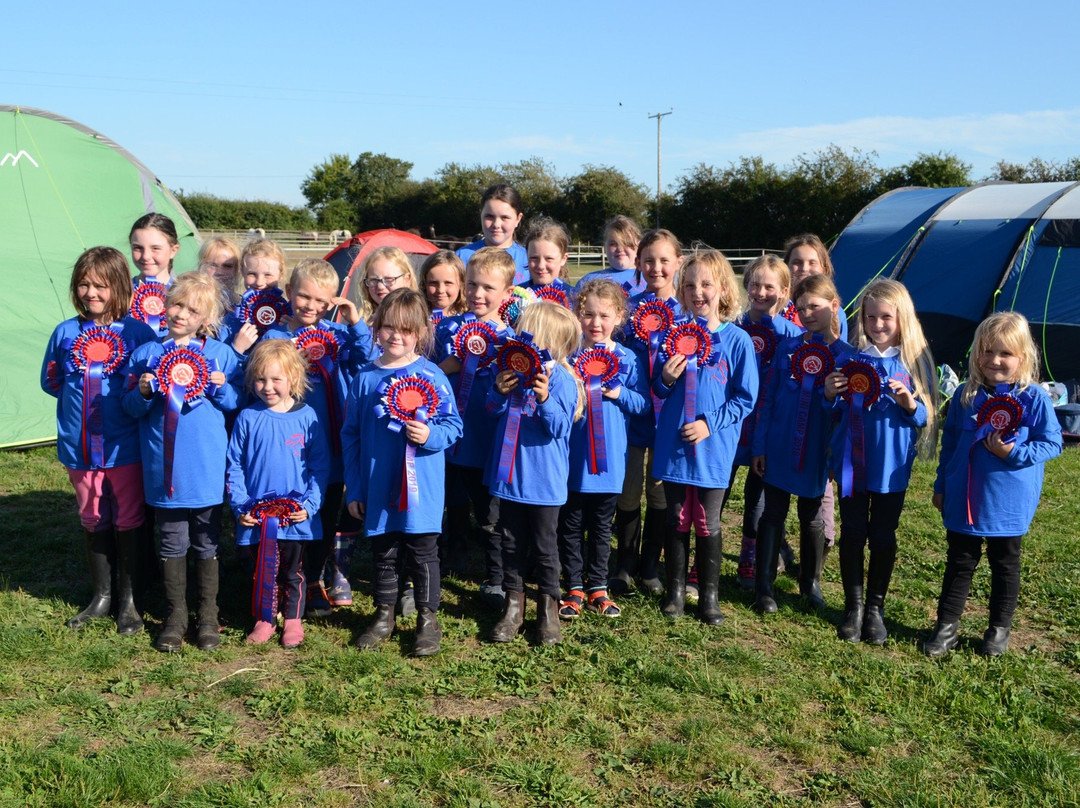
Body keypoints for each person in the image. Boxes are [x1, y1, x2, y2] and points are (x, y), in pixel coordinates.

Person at [925, 312, 1062, 658]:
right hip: (964, 494)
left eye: (1005, 354)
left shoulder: (1035, 399)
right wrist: (942, 484)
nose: (995, 360)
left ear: (1023, 357)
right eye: (987, 351)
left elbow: (1053, 443)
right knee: (959, 561)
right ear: (976, 354)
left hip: (1008, 502)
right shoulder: (964, 396)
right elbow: (952, 442)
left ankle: (998, 630)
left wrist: (1013, 452)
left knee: (1005, 564)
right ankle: (946, 626)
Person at [41, 246, 158, 634]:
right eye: (84, 284)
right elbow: (51, 381)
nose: (91, 293)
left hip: (125, 448)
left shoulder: (139, 333)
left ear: (120, 287)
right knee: (93, 517)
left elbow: (147, 390)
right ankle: (101, 597)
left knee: (129, 517)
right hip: (78, 449)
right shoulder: (64, 332)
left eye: (101, 286)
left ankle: (130, 601)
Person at [123, 273, 242, 652]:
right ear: (165, 302)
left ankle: (208, 616)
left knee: (207, 542)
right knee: (172, 541)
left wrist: (222, 387)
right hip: (165, 470)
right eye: (177, 304)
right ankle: (176, 617)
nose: (181, 313)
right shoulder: (146, 354)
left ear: (206, 318)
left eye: (193, 309)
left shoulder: (222, 354)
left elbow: (237, 403)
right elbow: (128, 407)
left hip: (206, 469)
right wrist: (142, 393)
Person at [343, 289, 463, 656]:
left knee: (423, 552)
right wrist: (355, 489)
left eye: (406, 330)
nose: (396, 336)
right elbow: (351, 435)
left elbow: (454, 426)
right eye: (388, 327)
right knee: (385, 552)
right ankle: (384, 615)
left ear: (421, 333)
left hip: (421, 488)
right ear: (376, 328)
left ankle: (428, 619)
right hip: (378, 486)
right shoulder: (364, 379)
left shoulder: (431, 375)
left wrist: (430, 435)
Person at [823, 279, 937, 645]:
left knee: (883, 536)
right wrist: (828, 393)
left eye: (886, 317)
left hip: (892, 468)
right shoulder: (850, 359)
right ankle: (853, 608)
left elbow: (926, 417)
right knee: (853, 534)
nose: (878, 324)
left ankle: (875, 608)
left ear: (901, 318)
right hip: (852, 464)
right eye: (870, 316)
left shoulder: (915, 362)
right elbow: (833, 409)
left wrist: (909, 404)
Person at [261, 258, 374, 614]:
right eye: (303, 297)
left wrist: (355, 323)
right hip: (289, 446)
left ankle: (312, 580)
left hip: (333, 442)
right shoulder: (275, 337)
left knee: (324, 512)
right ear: (290, 292)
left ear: (332, 303)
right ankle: (280, 579)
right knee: (289, 507)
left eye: (321, 301)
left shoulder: (338, 335)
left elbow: (367, 357)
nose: (310, 306)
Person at [652, 251, 757, 625]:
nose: (699, 292)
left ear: (724, 290)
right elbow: (659, 392)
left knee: (707, 520)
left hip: (713, 448)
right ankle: (676, 592)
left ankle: (710, 597)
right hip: (675, 445)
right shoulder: (672, 337)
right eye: (691, 284)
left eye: (707, 284)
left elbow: (745, 398)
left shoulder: (738, 341)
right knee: (677, 517)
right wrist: (664, 377)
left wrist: (709, 424)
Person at [751, 274, 853, 614]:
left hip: (817, 448)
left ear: (834, 306)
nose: (808, 313)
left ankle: (810, 582)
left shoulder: (848, 358)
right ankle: (764, 585)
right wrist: (760, 444)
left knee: (812, 516)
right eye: (801, 307)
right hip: (779, 444)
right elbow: (767, 398)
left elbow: (848, 415)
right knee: (773, 511)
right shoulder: (788, 348)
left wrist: (838, 457)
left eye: (816, 306)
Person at [487, 302, 584, 645]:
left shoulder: (562, 379)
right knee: (511, 545)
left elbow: (559, 428)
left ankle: (548, 610)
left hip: (544, 482)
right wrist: (498, 391)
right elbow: (492, 410)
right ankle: (514, 608)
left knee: (545, 547)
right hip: (511, 478)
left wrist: (544, 399)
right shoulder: (509, 371)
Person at [226, 340, 330, 648]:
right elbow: (234, 467)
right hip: (258, 518)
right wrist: (240, 505)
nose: (267, 387)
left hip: (295, 516)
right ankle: (264, 619)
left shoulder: (308, 416)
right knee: (263, 570)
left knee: (293, 571)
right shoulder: (247, 417)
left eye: (275, 379)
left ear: (294, 379)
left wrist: (310, 505)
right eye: (260, 379)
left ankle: (294, 619)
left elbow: (320, 466)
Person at [557, 279, 648, 620]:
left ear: (619, 317)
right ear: (577, 314)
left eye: (604, 315)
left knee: (600, 526)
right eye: (588, 314)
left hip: (610, 463)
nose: (595, 323)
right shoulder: (568, 355)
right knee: (570, 524)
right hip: (572, 461)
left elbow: (643, 405)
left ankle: (598, 586)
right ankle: (573, 587)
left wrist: (618, 394)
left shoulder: (628, 359)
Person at [436, 248, 514, 603]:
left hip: (487, 440)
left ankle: (496, 578)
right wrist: (448, 364)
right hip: (449, 436)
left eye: (488, 288)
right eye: (472, 285)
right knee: (444, 502)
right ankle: (433, 566)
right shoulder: (450, 328)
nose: (478, 294)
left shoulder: (512, 340)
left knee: (489, 514)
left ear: (507, 294)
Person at [610, 229, 684, 597]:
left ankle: (651, 565)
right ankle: (624, 563)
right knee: (627, 491)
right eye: (649, 260)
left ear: (677, 264)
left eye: (664, 260)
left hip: (667, 420)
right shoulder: (627, 310)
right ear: (638, 264)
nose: (656, 267)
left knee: (658, 494)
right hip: (628, 417)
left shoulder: (686, 314)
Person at [726, 254, 801, 591]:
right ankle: (702, 558)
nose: (760, 291)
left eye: (769, 286)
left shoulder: (794, 337)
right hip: (730, 424)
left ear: (784, 290)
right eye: (754, 284)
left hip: (767, 427)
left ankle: (748, 559)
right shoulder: (732, 326)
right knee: (719, 489)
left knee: (757, 495)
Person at [221, 238, 290, 357]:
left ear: (281, 275)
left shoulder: (290, 315)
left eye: (267, 275)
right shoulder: (230, 317)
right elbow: (222, 364)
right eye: (252, 274)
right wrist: (237, 348)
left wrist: (290, 330)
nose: (259, 282)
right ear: (242, 271)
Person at [456, 183, 529, 284]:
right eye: (489, 216)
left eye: (505, 218)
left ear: (518, 219)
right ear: (480, 215)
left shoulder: (529, 260)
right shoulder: (461, 257)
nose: (496, 224)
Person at [129, 213, 182, 336]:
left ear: (173, 250)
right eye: (138, 248)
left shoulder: (184, 293)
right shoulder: (121, 291)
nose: (146, 256)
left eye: (155, 248)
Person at [576, 215, 645, 296]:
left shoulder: (650, 278)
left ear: (639, 245)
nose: (620, 249)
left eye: (626, 243)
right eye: (613, 244)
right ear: (605, 246)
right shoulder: (588, 281)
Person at [357, 246, 418, 326]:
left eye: (389, 279)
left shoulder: (418, 321)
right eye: (373, 280)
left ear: (407, 279)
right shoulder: (364, 324)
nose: (380, 286)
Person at [522, 216, 575, 309]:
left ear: (563, 259)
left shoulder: (574, 298)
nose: (541, 265)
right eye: (534, 258)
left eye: (549, 258)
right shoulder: (515, 295)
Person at [419, 250, 467, 324]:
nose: (441, 290)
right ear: (424, 283)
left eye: (448, 283)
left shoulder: (469, 318)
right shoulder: (415, 315)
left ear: (461, 284)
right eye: (433, 283)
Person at [197, 236, 243, 306]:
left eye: (227, 266)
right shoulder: (189, 302)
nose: (219, 272)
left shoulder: (243, 307)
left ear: (237, 269)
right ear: (202, 265)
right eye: (212, 265)